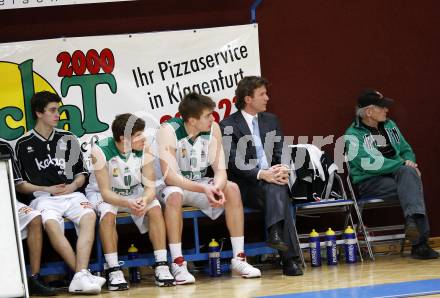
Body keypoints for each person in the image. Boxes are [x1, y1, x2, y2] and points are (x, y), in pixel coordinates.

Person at [156, 92, 261, 284]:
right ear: (192, 120)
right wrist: (204, 189)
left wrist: (216, 188)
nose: (213, 118)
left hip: (199, 183)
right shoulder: (167, 131)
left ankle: (239, 259)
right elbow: (170, 176)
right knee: (175, 196)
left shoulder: (213, 129)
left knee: (233, 189)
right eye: (207, 115)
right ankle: (178, 263)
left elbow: (220, 171)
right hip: (169, 185)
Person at [14, 91, 106, 294]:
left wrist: (73, 186)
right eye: (53, 111)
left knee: (89, 216)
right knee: (51, 224)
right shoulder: (22, 144)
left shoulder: (68, 138)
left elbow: (82, 174)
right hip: (43, 198)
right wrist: (45, 188)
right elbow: (20, 184)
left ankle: (80, 276)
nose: (57, 115)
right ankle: (82, 274)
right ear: (39, 113)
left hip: (72, 193)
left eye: (59, 110)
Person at [220, 76, 303, 276]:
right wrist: (261, 174)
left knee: (277, 186)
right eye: (262, 94)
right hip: (247, 186)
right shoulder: (228, 125)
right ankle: (289, 259)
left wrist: (283, 168)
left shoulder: (271, 120)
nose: (267, 98)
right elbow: (233, 161)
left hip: (272, 181)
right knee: (279, 194)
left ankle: (276, 233)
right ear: (248, 99)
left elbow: (281, 151)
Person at [344, 89, 439, 259]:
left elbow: (406, 150)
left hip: (399, 176)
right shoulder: (352, 135)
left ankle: (412, 224)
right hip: (371, 181)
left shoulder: (390, 126)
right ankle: (420, 245)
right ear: (368, 112)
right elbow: (368, 164)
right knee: (412, 184)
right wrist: (402, 164)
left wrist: (408, 163)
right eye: (382, 107)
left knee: (409, 178)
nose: (387, 110)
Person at [86, 113, 175, 289]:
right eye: (138, 135)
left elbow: (149, 186)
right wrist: (127, 204)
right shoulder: (100, 151)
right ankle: (113, 269)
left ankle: (162, 264)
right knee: (108, 213)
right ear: (123, 138)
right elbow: (105, 193)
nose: (144, 138)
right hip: (104, 193)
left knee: (155, 208)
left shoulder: (145, 147)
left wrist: (145, 199)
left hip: (134, 191)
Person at [0, 138, 57, 296]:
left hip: (6, 198)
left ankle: (34, 278)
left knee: (34, 217)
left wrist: (47, 188)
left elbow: (18, 183)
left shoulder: (3, 145)